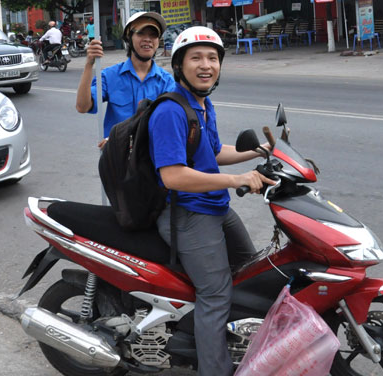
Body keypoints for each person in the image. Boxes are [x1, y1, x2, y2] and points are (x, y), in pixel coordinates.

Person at [148, 26, 275, 376]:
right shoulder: (170, 111)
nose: (206, 65)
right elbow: (172, 175)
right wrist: (237, 180)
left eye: (213, 58)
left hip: (214, 205)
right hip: (187, 213)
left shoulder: (202, 105)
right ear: (179, 65)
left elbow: (214, 152)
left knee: (252, 268)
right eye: (196, 58)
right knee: (215, 295)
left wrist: (259, 152)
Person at [75, 12, 175, 147]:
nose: (148, 39)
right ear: (129, 38)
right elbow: (83, 106)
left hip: (153, 161)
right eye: (141, 33)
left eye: (153, 35)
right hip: (117, 161)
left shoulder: (166, 82)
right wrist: (89, 64)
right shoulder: (110, 75)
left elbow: (170, 124)